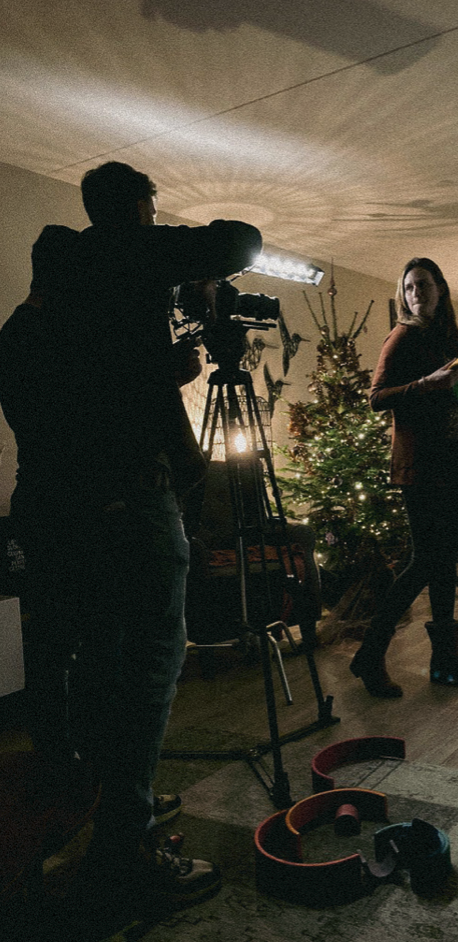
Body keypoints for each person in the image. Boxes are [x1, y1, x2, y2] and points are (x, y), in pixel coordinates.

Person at [0, 162, 262, 922]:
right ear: (138, 208)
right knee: (148, 666)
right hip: (124, 508)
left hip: (49, 512)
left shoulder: (27, 328)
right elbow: (241, 240)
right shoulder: (127, 250)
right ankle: (124, 851)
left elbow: (79, 399)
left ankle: (114, 795)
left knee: (96, 661)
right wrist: (187, 276)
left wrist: (155, 370)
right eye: (152, 209)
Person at [349, 257, 458, 698]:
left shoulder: (449, 339)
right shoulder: (402, 336)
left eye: (423, 285)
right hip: (420, 465)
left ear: (441, 290)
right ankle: (371, 651)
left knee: (444, 560)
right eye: (409, 287)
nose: (416, 293)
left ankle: (445, 661)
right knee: (427, 560)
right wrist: (425, 384)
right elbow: (377, 397)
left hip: (452, 460)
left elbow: (455, 399)